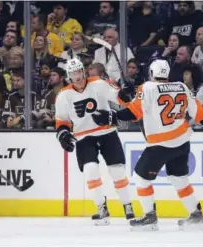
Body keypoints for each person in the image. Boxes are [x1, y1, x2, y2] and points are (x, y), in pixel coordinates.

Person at [91, 59, 203, 230]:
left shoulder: (147, 87)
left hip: (160, 143)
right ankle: (195, 214)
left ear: (151, 73)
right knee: (179, 178)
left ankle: (150, 217)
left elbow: (133, 112)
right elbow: (199, 111)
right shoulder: (181, 86)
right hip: (182, 141)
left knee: (141, 178)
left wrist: (112, 117)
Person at [55, 58, 135, 225]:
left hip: (107, 132)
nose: (77, 76)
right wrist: (63, 134)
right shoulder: (63, 95)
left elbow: (119, 97)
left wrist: (125, 93)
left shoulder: (98, 83)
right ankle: (101, 208)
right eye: (73, 73)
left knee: (117, 171)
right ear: (69, 76)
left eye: (79, 71)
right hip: (83, 136)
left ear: (84, 71)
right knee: (91, 169)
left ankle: (128, 205)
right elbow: (62, 121)